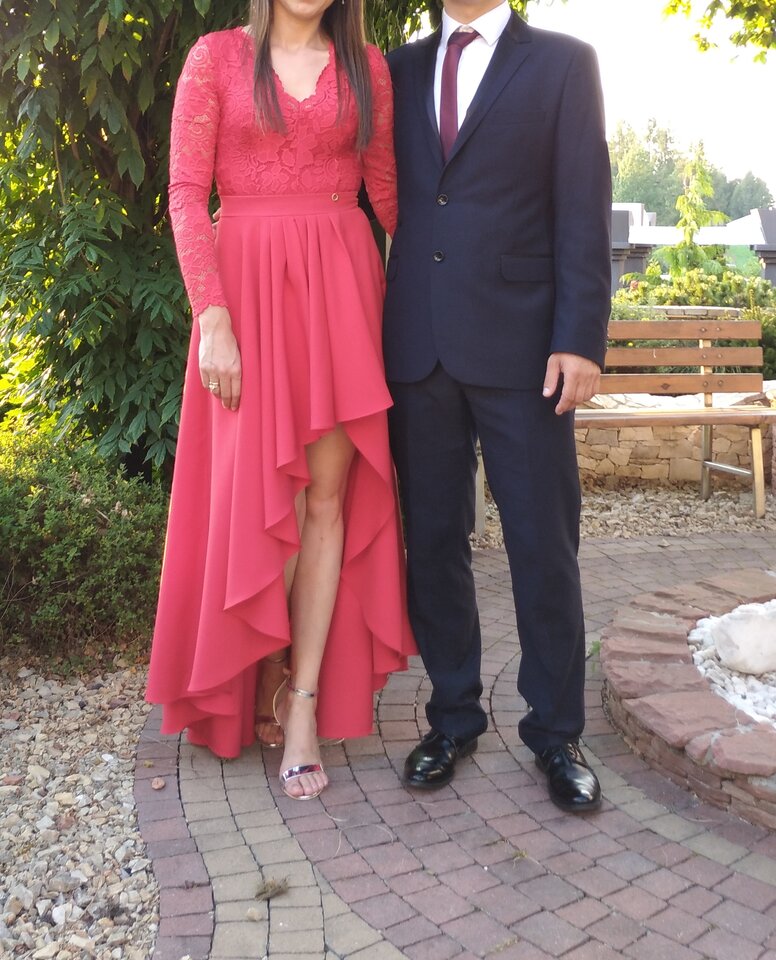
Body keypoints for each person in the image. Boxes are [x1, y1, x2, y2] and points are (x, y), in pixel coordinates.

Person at [146, 0, 415, 801]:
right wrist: (212, 318)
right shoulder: (214, 58)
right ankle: (262, 662)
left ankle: (301, 703)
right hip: (247, 295)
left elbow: (392, 198)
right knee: (267, 496)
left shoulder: (368, 68)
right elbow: (185, 194)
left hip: (341, 290)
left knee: (326, 500)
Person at [384, 0, 611, 811]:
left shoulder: (563, 62)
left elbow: (583, 206)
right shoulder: (397, 68)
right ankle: (452, 718)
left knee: (543, 545)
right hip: (418, 347)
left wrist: (581, 338)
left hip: (526, 349)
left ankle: (556, 733)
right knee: (433, 543)